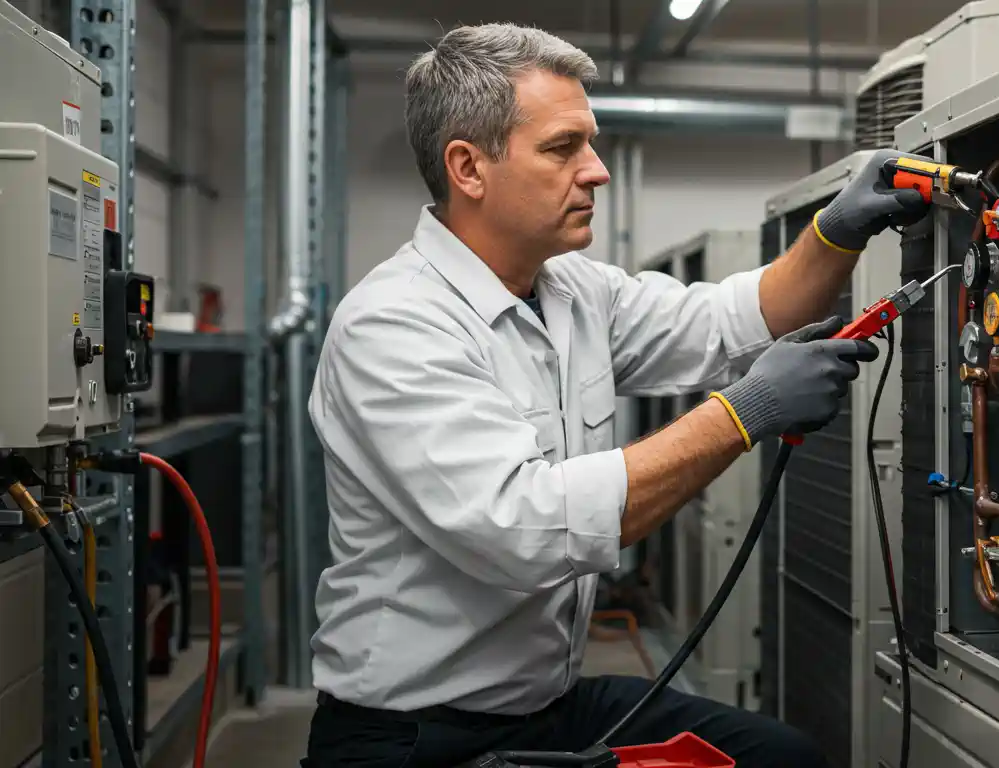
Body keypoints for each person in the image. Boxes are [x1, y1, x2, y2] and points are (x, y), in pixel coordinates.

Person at [301, 22, 929, 768]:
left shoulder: (572, 291)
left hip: (548, 705)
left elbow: (732, 321)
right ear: (468, 168)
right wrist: (746, 413)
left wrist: (833, 233)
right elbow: (523, 529)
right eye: (563, 148)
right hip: (411, 734)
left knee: (780, 758)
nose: (595, 170)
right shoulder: (395, 325)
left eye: (590, 143)